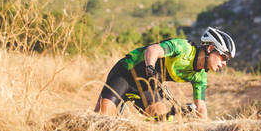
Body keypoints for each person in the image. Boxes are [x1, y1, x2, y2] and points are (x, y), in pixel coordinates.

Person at [94, 27, 236, 120]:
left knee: (164, 123)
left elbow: (201, 107)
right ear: (211, 48)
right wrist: (150, 67)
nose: (224, 63)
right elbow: (153, 49)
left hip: (147, 87)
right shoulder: (183, 48)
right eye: (224, 57)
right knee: (101, 121)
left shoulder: (200, 76)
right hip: (126, 73)